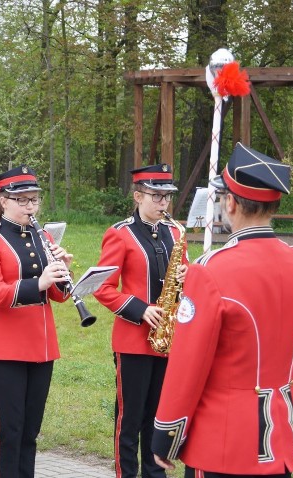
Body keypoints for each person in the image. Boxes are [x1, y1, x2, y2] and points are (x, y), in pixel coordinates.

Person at [152, 144, 293, 477]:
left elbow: (189, 363)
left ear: (229, 202)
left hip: (223, 441)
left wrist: (166, 436)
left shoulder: (211, 271)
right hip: (280, 437)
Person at [0, 166, 71, 478]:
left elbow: (57, 296)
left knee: (30, 431)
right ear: (4, 201)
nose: (31, 207)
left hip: (40, 345)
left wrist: (62, 273)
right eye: (23, 201)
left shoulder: (42, 237)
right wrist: (39, 282)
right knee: (9, 431)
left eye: (34, 201)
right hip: (5, 346)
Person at [93, 164, 187, 478]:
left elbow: (181, 277)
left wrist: (189, 277)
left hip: (168, 340)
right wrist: (139, 309)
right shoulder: (120, 234)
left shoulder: (175, 232)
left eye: (166, 197)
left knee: (158, 415)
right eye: (156, 196)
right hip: (133, 341)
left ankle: (153, 474)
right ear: (137, 195)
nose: (163, 203)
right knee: (129, 418)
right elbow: (102, 287)